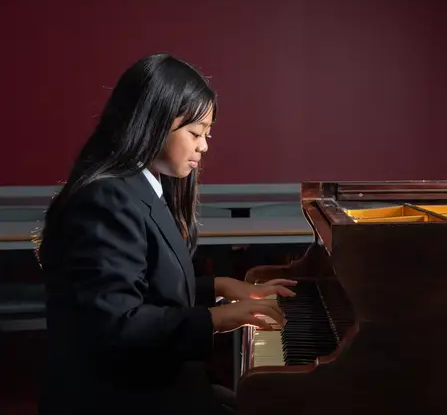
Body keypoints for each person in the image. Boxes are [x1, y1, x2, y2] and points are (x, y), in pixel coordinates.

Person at [36, 53, 296, 415]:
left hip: (150, 380)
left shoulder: (142, 187)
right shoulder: (106, 198)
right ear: (153, 123)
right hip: (119, 396)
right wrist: (217, 319)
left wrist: (219, 286)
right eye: (194, 133)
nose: (203, 146)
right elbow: (116, 325)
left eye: (207, 134)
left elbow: (146, 284)